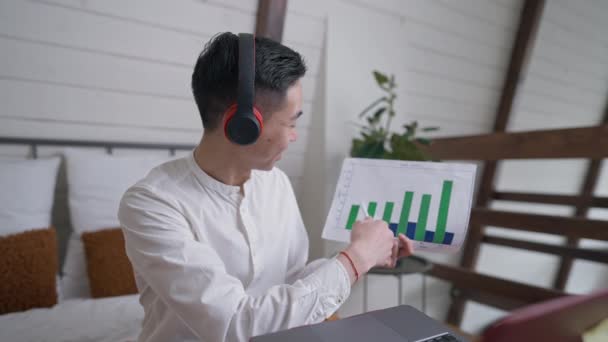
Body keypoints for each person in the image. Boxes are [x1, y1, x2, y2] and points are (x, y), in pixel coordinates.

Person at [118, 32, 414, 342]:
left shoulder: (276, 183)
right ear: (242, 124)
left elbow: (290, 279)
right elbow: (234, 324)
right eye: (291, 123)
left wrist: (368, 253)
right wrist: (355, 259)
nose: (294, 136)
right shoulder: (151, 203)